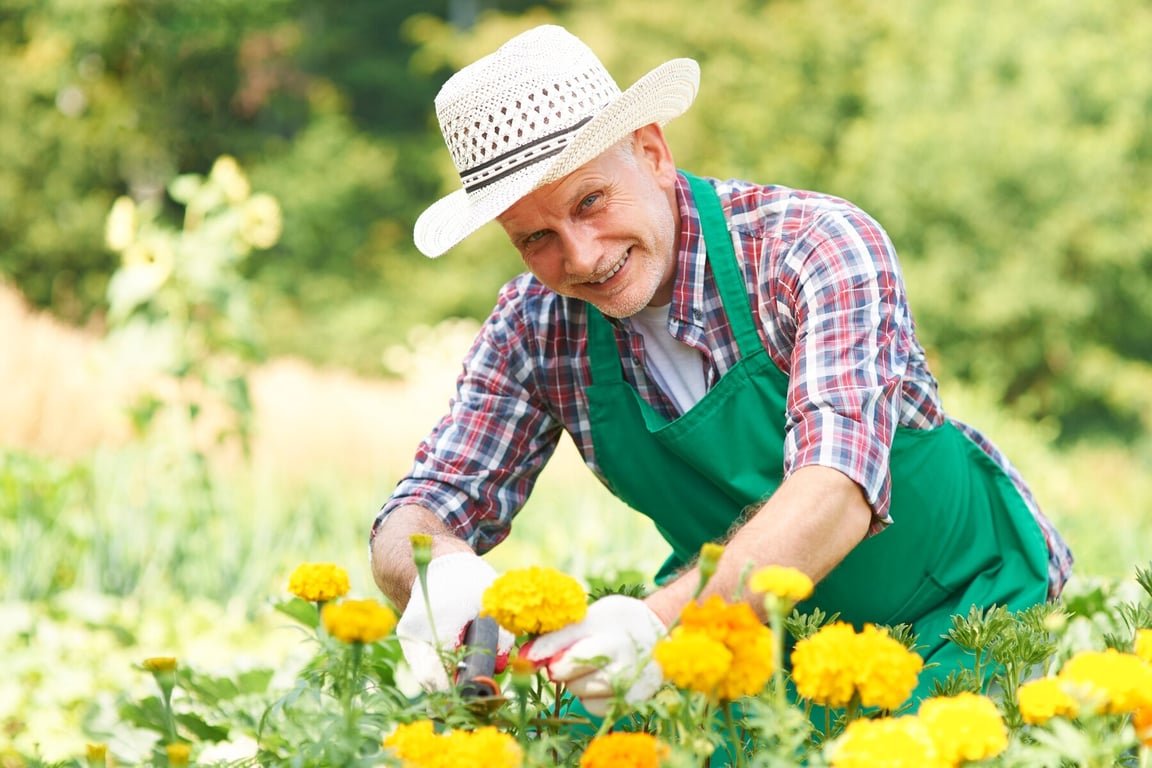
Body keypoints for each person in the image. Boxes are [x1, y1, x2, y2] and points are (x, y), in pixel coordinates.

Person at [369, 24, 1073, 720]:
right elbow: (423, 506)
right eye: (537, 238)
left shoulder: (814, 246)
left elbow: (836, 489)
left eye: (589, 202)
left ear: (650, 151)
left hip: (964, 606)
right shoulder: (534, 329)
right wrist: (441, 576)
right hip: (756, 640)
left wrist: (655, 625)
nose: (581, 257)